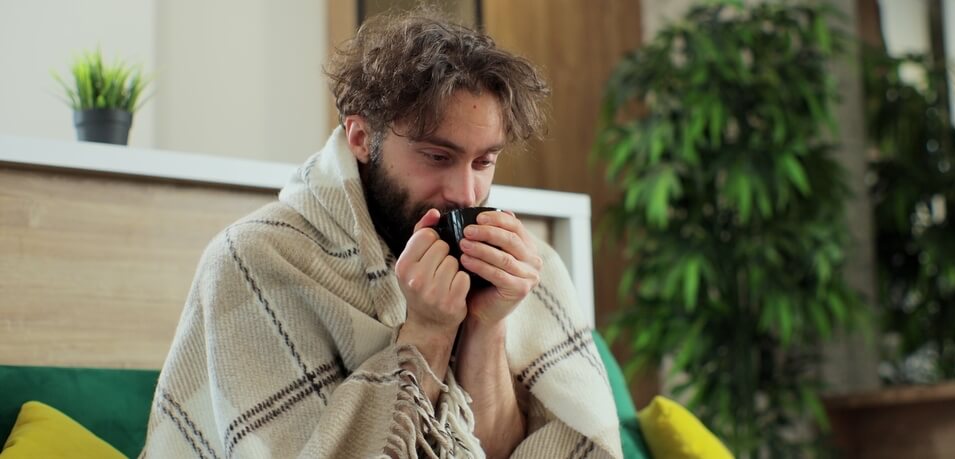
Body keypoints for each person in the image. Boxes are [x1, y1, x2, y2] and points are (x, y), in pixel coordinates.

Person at [142, 9, 621, 459]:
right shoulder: (255, 259)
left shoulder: (522, 268)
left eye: (484, 161)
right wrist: (428, 331)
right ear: (359, 137)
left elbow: (494, 452)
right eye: (437, 156)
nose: (465, 192)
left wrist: (486, 326)